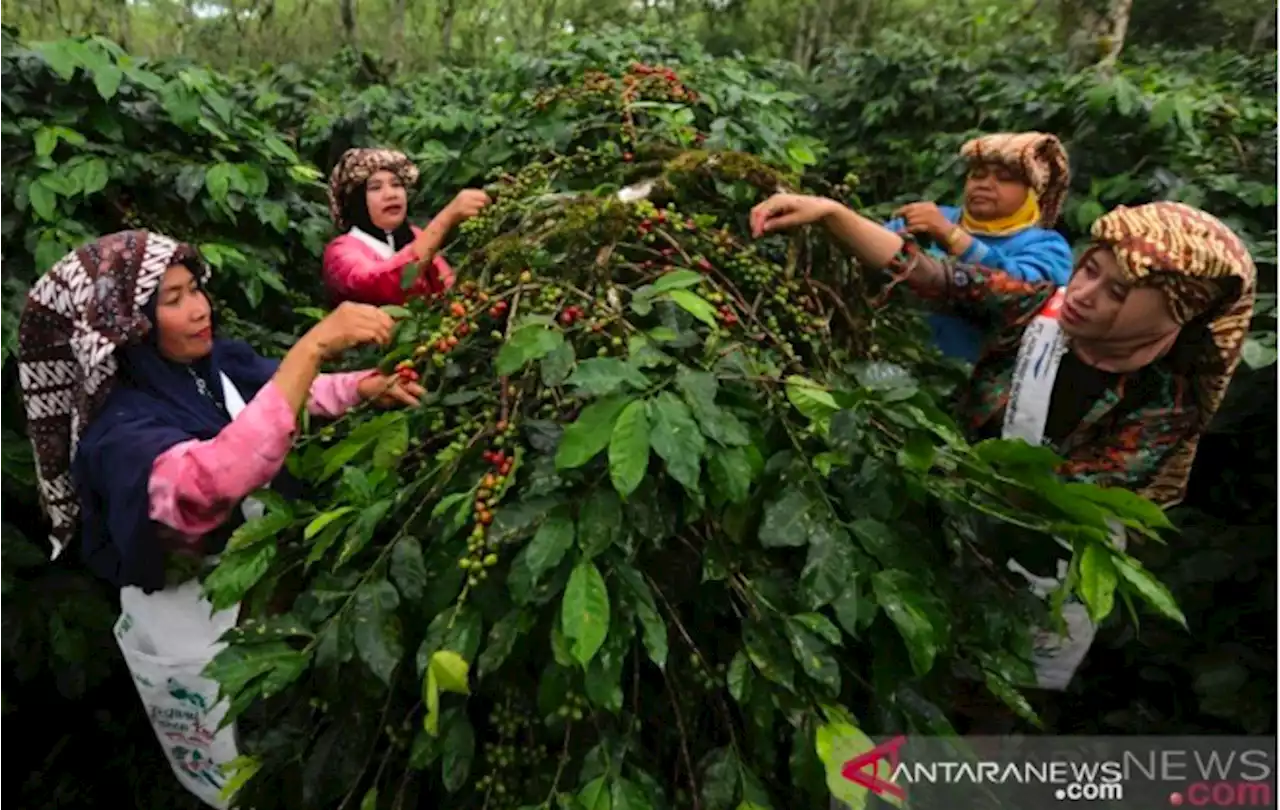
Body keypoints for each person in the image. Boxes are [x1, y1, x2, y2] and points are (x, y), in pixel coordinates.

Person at [750, 193, 1255, 696]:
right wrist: (832, 214)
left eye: (1118, 293)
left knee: (1000, 688)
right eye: (1090, 270)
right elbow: (937, 276)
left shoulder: (1165, 401)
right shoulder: (1039, 307)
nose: (1083, 292)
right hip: (951, 521)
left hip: (1046, 563)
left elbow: (1072, 491)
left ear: (1169, 315)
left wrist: (946, 474)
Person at [17, 231, 425, 808]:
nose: (200, 308)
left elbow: (273, 398)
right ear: (129, 326)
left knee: (287, 742)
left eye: (196, 290)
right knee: (238, 768)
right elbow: (211, 481)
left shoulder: (209, 367)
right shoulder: (120, 432)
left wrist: (362, 386)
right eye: (174, 299)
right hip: (200, 630)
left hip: (262, 609)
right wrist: (312, 347)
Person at [885, 132, 1075, 363]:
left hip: (973, 380)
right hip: (898, 361)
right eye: (977, 175)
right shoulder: (933, 218)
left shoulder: (1047, 246)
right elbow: (877, 248)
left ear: (1035, 192)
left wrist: (952, 236)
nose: (985, 184)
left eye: (1004, 178)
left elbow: (1022, 291)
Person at [323, 147, 491, 306]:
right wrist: (446, 218)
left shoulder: (414, 236)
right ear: (357, 201)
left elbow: (448, 287)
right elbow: (381, 283)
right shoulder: (340, 251)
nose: (391, 194)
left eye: (396, 185)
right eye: (375, 188)